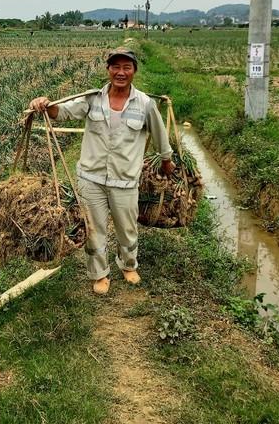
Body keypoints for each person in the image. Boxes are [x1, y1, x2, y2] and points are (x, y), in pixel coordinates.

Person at [29, 48, 174, 295]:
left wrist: (166, 160)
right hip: (91, 178)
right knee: (93, 229)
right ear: (108, 70)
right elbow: (62, 112)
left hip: (125, 179)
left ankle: (128, 265)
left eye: (126, 67)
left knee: (127, 228)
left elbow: (160, 135)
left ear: (134, 71)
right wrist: (44, 104)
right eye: (115, 67)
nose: (120, 72)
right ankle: (100, 274)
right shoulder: (92, 98)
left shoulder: (145, 104)